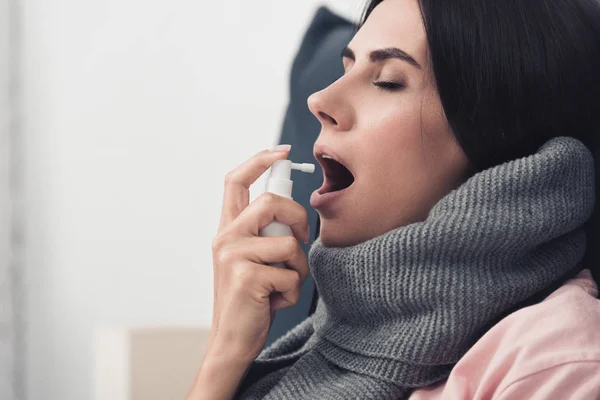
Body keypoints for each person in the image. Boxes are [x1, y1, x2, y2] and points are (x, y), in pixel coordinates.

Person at [186, 0, 600, 398]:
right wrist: (225, 353)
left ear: (496, 142)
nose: (319, 101)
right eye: (344, 69)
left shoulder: (551, 365)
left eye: (387, 81)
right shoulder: (311, 345)